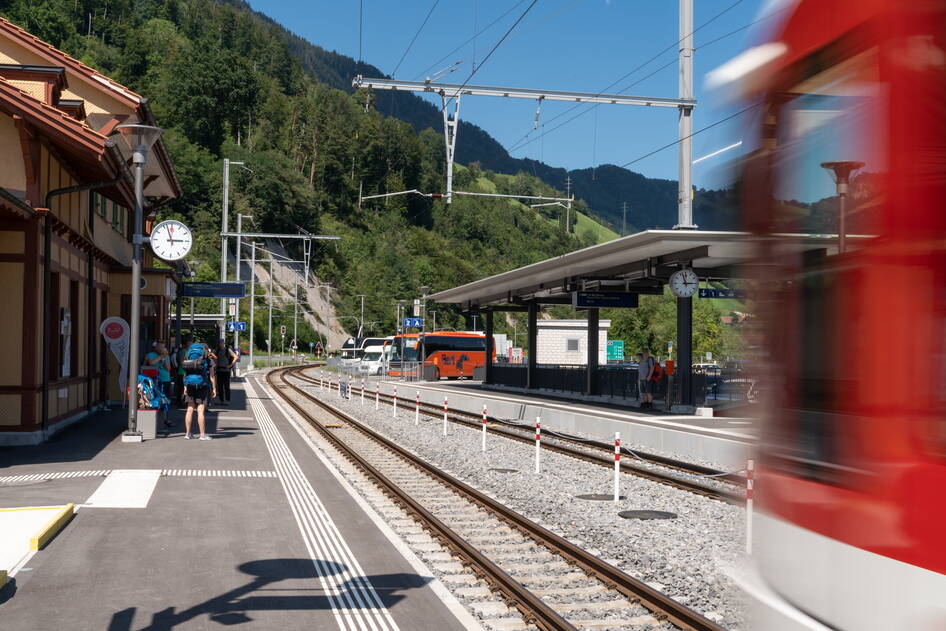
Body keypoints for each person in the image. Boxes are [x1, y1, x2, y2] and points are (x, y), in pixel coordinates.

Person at [181, 339, 216, 440]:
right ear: (205, 349)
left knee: (189, 409)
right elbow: (212, 376)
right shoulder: (207, 358)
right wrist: (214, 388)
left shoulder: (188, 356)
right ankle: (202, 435)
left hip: (190, 384)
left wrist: (185, 387)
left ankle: (188, 434)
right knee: (200, 411)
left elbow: (185, 372)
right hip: (202, 385)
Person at [144, 341, 174, 427]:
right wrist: (161, 357)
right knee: (154, 399)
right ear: (156, 348)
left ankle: (166, 418)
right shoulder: (150, 355)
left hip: (165, 379)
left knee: (166, 400)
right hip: (154, 380)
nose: (162, 349)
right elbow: (151, 363)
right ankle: (154, 418)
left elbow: (168, 369)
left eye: (163, 347)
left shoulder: (166, 356)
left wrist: (164, 358)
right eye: (160, 347)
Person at [213, 338, 238, 406]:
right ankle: (221, 400)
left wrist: (231, 365)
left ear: (223, 343)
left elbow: (235, 357)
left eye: (221, 342)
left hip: (226, 370)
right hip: (219, 370)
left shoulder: (228, 349)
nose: (220, 344)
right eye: (219, 343)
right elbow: (213, 356)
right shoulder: (216, 350)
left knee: (226, 386)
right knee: (220, 386)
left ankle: (227, 400)